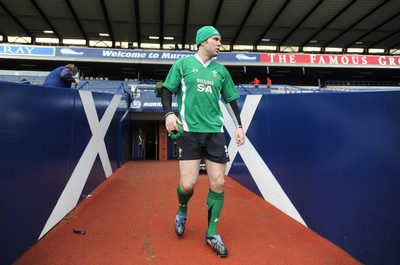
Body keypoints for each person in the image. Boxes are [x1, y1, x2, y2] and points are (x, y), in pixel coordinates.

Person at [161, 25, 245, 258]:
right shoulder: (183, 65)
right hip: (189, 132)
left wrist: (238, 126)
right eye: (216, 39)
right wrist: (169, 113)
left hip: (215, 133)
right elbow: (167, 90)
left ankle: (212, 233)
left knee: (218, 183)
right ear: (203, 42)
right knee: (188, 185)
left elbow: (230, 100)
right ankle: (182, 210)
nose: (220, 44)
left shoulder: (221, 71)